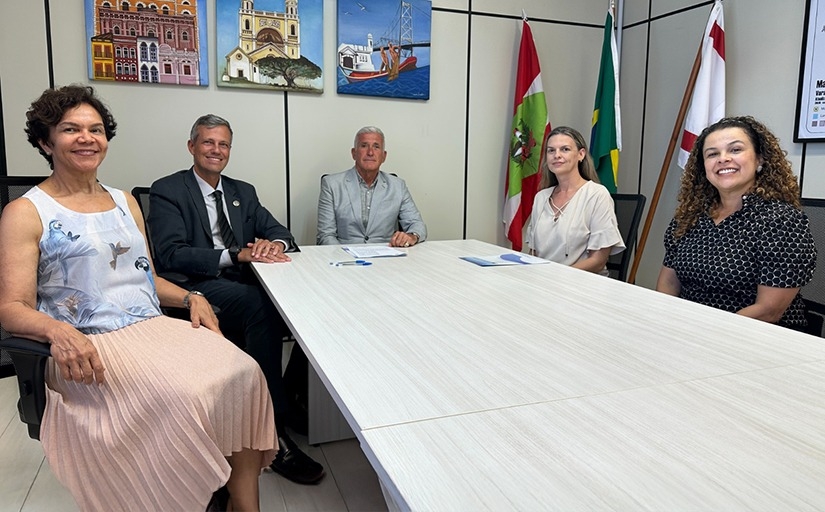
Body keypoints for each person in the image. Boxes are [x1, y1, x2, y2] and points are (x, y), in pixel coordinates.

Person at [0, 85, 277, 511]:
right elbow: (11, 309)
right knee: (185, 394)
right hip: (87, 344)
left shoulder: (123, 202)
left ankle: (246, 505)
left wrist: (190, 297)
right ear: (45, 140)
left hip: (149, 325)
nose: (87, 138)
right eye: (71, 129)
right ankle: (175, 496)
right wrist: (58, 331)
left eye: (95, 129)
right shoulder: (26, 211)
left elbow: (144, 278)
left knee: (245, 372)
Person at [149, 114, 325, 485]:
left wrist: (270, 244)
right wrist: (235, 254)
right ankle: (273, 433)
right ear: (192, 146)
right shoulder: (168, 190)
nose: (216, 150)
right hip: (197, 285)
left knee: (307, 302)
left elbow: (280, 232)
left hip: (245, 279)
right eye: (208, 142)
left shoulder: (242, 191)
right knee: (262, 309)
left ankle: (291, 396)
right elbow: (169, 254)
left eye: (224, 144)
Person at [656, 116, 816, 330]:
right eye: (712, 154)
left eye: (735, 150)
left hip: (758, 339)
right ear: (703, 167)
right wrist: (667, 325)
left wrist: (704, 334)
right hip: (688, 330)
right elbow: (668, 284)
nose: (723, 159)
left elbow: (769, 310)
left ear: (760, 159)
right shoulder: (690, 216)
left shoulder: (781, 221)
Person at [525, 126, 625, 274]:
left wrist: (556, 275)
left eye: (565, 149)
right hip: (543, 281)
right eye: (551, 150)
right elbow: (533, 253)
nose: (556, 155)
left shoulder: (597, 195)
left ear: (581, 154)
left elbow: (598, 261)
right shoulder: (541, 197)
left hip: (581, 284)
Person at [317, 126, 427, 247]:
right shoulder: (331, 184)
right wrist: (345, 259)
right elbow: (325, 235)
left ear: (384, 156)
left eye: (376, 147)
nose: (370, 152)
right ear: (354, 153)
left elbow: (417, 225)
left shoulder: (398, 186)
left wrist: (412, 236)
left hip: (386, 257)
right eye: (364, 146)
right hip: (343, 258)